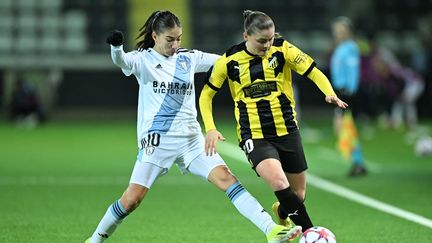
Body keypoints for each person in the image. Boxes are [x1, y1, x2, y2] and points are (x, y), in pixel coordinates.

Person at [85, 10, 301, 243]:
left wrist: (251, 48)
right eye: (170, 39)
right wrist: (116, 47)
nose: (175, 44)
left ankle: (271, 230)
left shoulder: (189, 58)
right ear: (155, 36)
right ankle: (95, 239)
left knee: (227, 180)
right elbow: (122, 60)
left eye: (179, 38)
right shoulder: (143, 59)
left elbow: (225, 62)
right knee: (132, 200)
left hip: (191, 140)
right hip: (158, 142)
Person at [199, 10, 347, 233]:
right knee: (279, 182)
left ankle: (282, 212)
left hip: (287, 129)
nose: (267, 45)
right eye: (261, 41)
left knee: (298, 196)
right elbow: (206, 95)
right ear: (246, 35)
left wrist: (329, 92)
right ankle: (311, 233)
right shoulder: (228, 61)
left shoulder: (283, 48)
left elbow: (313, 72)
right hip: (255, 134)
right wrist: (210, 128)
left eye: (270, 39)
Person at [330, 16, 367, 177]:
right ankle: (357, 162)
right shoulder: (341, 48)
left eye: (339, 30)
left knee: (344, 128)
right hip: (341, 92)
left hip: (347, 93)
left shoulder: (350, 47)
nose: (336, 33)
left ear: (347, 31)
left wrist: (349, 93)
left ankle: (358, 162)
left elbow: (353, 73)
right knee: (344, 128)